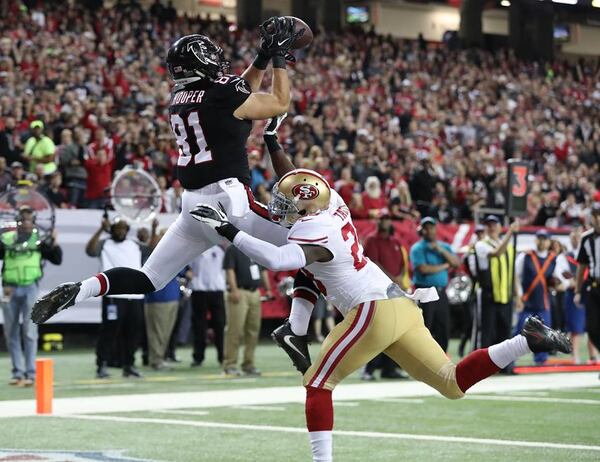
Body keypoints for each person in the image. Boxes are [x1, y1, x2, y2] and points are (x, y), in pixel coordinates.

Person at [189, 168, 571, 462]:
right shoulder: (333, 203)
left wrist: (226, 229)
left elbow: (275, 259)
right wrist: (273, 141)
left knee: (318, 385)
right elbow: (301, 182)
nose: (283, 210)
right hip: (402, 306)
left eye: (290, 206)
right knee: (452, 383)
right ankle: (528, 339)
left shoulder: (311, 233)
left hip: (371, 310)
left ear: (306, 209)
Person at [32, 18, 306, 326]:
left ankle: (83, 288)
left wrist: (261, 58)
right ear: (201, 62)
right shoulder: (222, 93)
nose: (218, 62)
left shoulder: (179, 98)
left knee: (148, 278)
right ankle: (299, 325)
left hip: (192, 206)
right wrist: (279, 56)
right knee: (310, 240)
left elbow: (239, 93)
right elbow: (278, 101)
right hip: (230, 200)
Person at [1, 206, 62, 386]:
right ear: (17, 222)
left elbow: (57, 259)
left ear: (33, 222)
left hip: (30, 288)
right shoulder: (7, 239)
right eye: (22, 219)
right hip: (9, 289)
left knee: (29, 331)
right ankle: (17, 373)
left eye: (29, 219)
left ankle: (31, 373)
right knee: (10, 332)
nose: (26, 223)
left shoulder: (39, 241)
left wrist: (55, 242)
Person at [85, 216, 153, 379]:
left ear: (127, 230)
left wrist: (153, 232)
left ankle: (129, 366)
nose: (120, 231)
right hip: (113, 296)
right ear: (112, 229)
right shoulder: (105, 243)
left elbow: (153, 251)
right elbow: (89, 250)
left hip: (135, 296)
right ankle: (101, 365)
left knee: (133, 333)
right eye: (117, 228)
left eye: (123, 228)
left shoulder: (135, 245)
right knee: (109, 331)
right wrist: (101, 229)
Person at [362, 215, 411, 380]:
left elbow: (404, 264)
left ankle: (389, 368)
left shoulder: (395, 241)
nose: (386, 221)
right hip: (378, 291)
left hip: (394, 291)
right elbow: (374, 263)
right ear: (378, 221)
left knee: (394, 331)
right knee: (378, 332)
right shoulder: (371, 240)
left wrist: (401, 279)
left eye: (387, 218)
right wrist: (392, 279)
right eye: (382, 218)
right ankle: (368, 369)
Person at [515, 229, 569, 365]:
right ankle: (510, 360)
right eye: (540, 238)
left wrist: (559, 283)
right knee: (519, 332)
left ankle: (540, 361)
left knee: (544, 335)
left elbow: (561, 280)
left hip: (543, 302)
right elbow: (515, 276)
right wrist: (519, 296)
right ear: (536, 240)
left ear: (549, 241)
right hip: (526, 301)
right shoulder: (525, 256)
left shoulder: (554, 259)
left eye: (545, 239)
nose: (542, 241)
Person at [409, 216, 460, 352]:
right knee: (425, 326)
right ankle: (420, 356)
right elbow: (423, 269)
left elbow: (456, 263)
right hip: (425, 291)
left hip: (441, 291)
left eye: (431, 227)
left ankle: (442, 356)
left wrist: (440, 250)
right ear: (422, 230)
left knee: (443, 325)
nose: (429, 230)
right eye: (426, 228)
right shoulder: (417, 248)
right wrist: (444, 266)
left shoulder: (444, 247)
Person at [222, 244, 272, 376]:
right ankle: (230, 365)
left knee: (253, 330)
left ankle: (248, 364)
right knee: (235, 330)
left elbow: (263, 270)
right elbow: (230, 270)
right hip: (239, 291)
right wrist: (233, 290)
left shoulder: (256, 247)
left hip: (255, 293)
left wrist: (267, 289)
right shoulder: (233, 248)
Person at [473, 215, 519, 356]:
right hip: (489, 294)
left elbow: (513, 271)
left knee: (505, 332)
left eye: (494, 224)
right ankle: (484, 366)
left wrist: (518, 294)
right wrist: (510, 233)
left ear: (500, 227)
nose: (492, 227)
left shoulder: (509, 247)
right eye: (489, 225)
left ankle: (506, 365)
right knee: (487, 331)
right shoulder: (481, 245)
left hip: (506, 295)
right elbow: (496, 253)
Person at [144, 232, 181, 371]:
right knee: (156, 332)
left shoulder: (174, 254)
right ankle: (156, 359)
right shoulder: (151, 256)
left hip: (172, 296)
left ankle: (160, 357)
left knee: (165, 331)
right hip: (157, 298)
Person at [563, 226, 598, 364]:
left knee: (593, 325)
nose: (577, 239)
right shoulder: (566, 257)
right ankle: (575, 356)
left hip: (591, 292)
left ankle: (593, 356)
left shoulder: (593, 254)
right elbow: (565, 278)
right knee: (575, 327)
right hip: (575, 294)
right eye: (574, 236)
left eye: (579, 236)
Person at [188, 245, 226, 367]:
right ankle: (198, 357)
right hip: (199, 290)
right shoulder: (195, 250)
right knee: (199, 325)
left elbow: (223, 271)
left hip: (217, 291)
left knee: (220, 324)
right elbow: (189, 268)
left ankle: (222, 356)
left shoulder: (219, 250)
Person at [574, 203, 600, 357]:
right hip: (594, 286)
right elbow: (581, 267)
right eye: (594, 215)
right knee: (592, 327)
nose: (597, 219)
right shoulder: (586, 238)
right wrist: (577, 291)